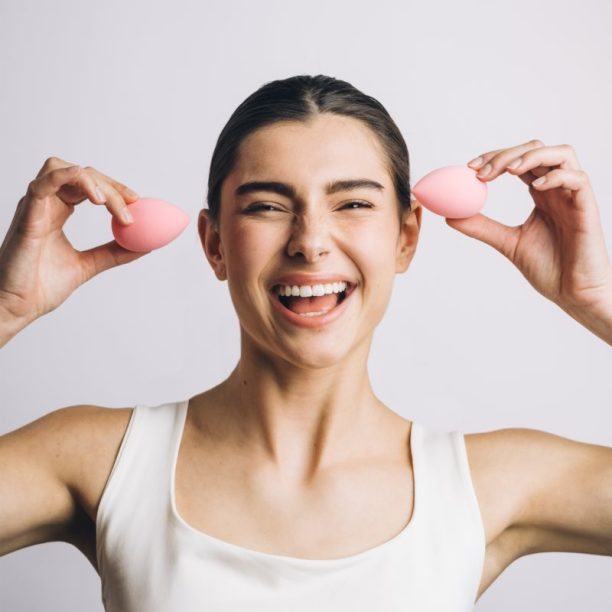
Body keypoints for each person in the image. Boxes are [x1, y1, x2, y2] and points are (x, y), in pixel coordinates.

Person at [1, 74, 611, 611]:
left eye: (352, 202)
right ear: (214, 243)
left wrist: (595, 299)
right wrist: (5, 309)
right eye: (267, 205)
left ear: (406, 237)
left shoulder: (488, 483)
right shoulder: (102, 459)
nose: (310, 241)